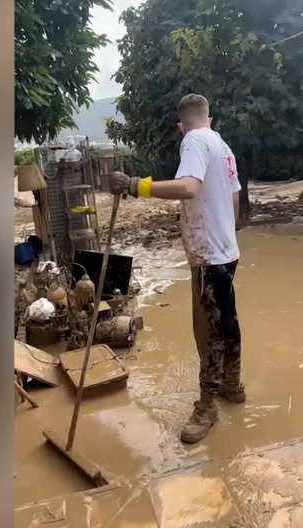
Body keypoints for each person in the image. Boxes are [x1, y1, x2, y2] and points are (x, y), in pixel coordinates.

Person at [109, 94, 243, 444]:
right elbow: (233, 201)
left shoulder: (194, 140)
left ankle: (207, 405)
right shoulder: (222, 146)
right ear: (209, 117)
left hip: (209, 255)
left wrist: (137, 186)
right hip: (228, 251)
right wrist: (220, 230)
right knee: (227, 319)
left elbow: (188, 187)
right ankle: (232, 384)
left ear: (181, 123)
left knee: (208, 330)